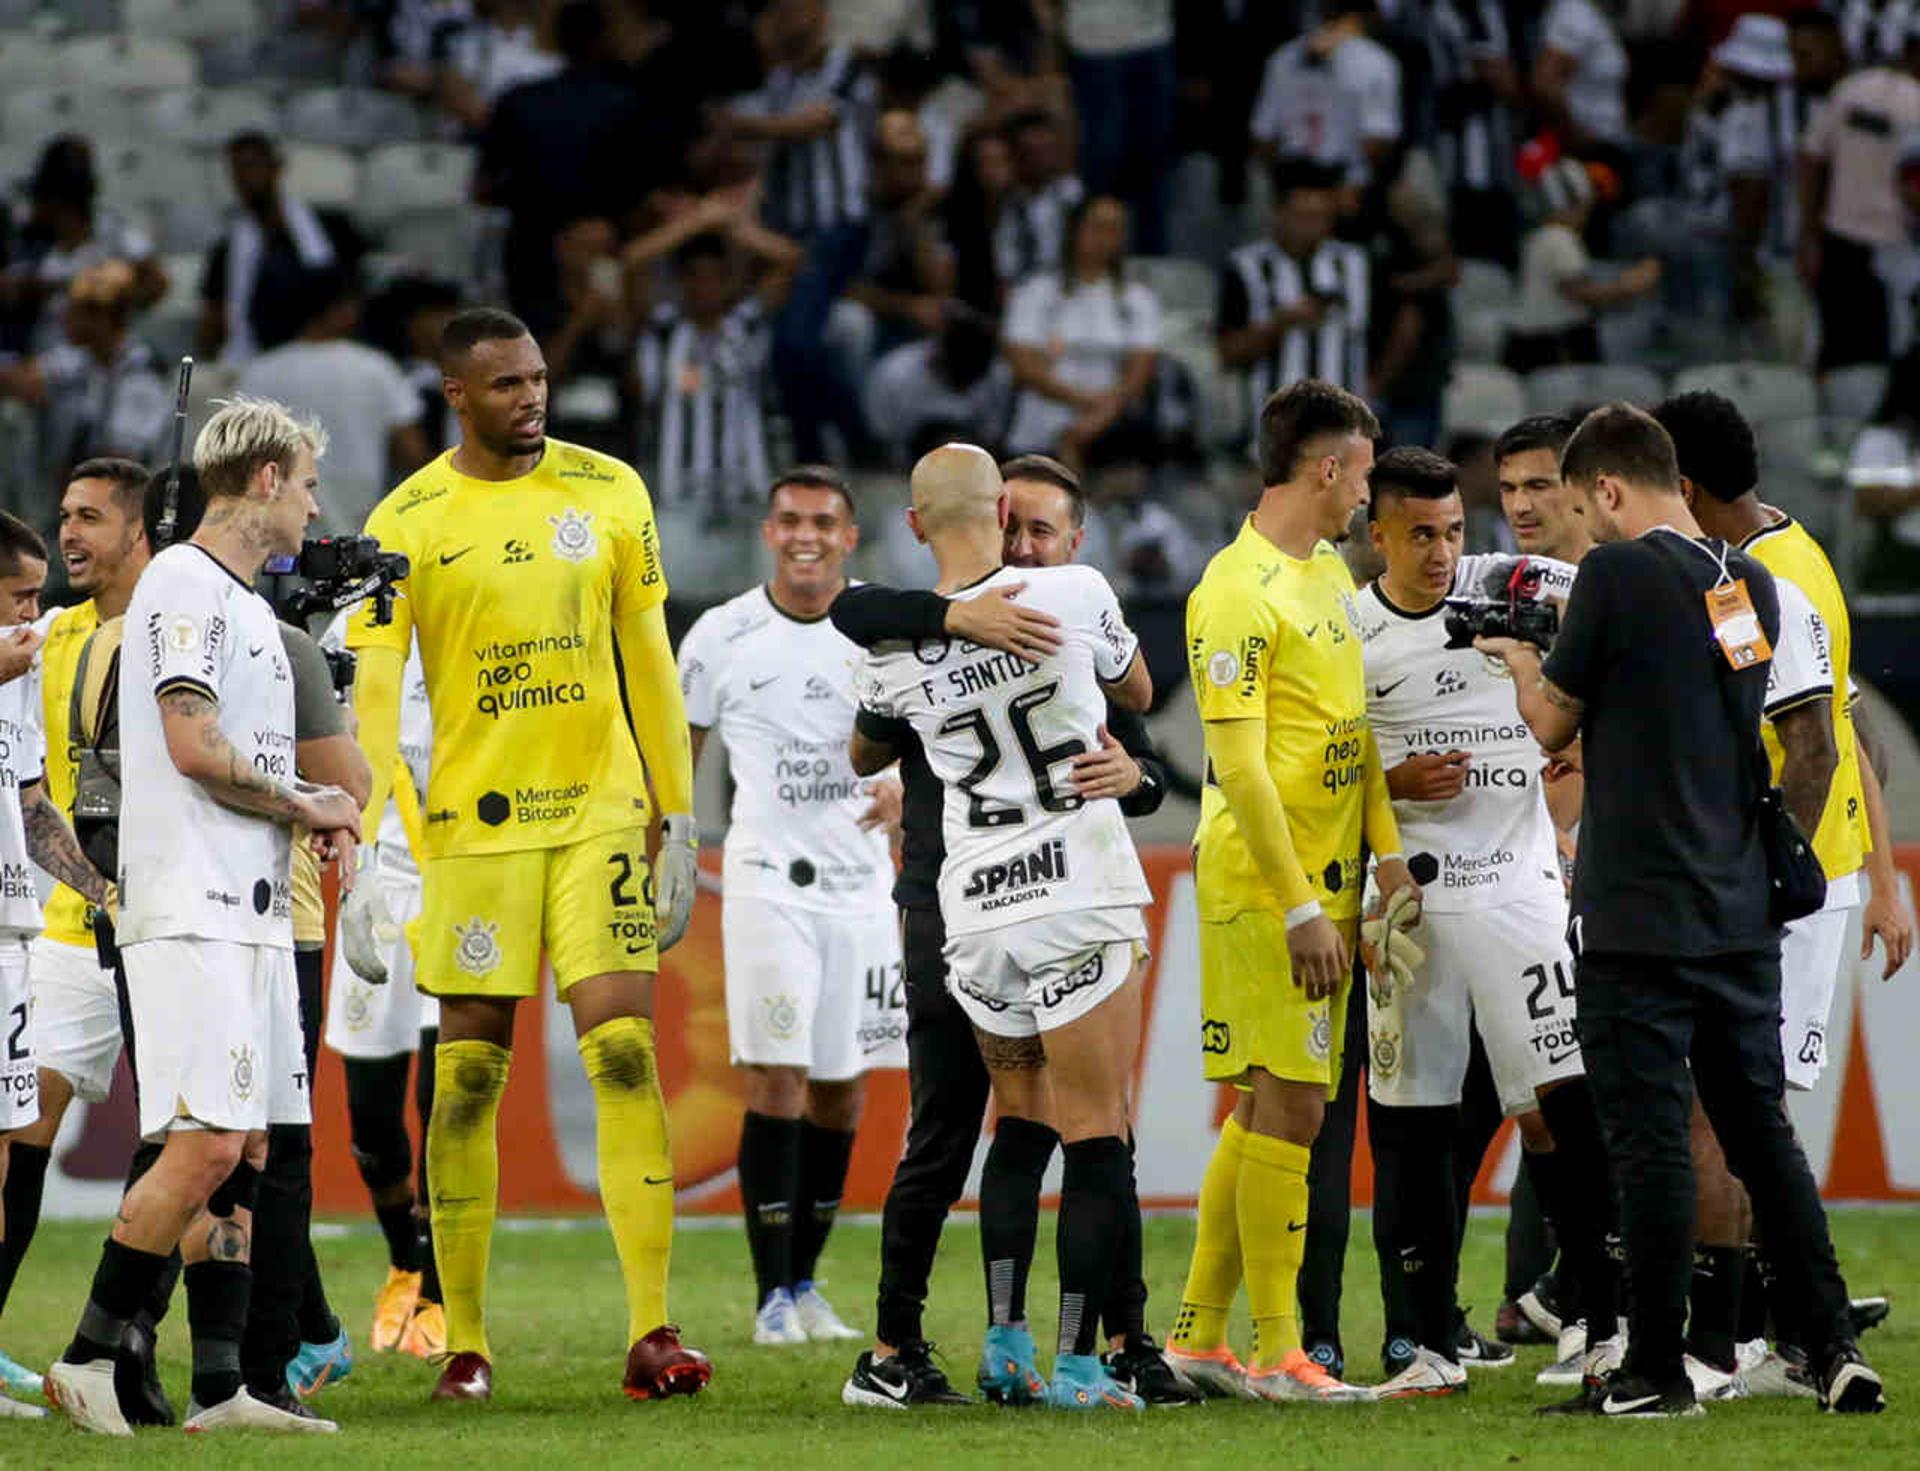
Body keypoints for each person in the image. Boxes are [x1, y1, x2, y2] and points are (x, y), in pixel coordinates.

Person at [1476, 401, 1885, 1417]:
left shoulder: (1614, 575)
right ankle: (1827, 1342)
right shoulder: (1744, 583)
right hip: (1736, 906)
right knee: (1760, 1136)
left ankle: (1656, 1367)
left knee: (1651, 1138)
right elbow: (1784, 733)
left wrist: (1525, 662)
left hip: (1635, 909)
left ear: (1608, 490)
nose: (1586, 524)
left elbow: (1553, 721)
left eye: (1580, 503)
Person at [346, 306, 708, 1404]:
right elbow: (369, 696)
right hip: (472, 833)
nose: (531, 398)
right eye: (505, 384)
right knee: (462, 1079)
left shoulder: (611, 491)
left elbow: (647, 655)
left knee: (627, 1054)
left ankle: (653, 1328)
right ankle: (467, 1341)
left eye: (539, 377)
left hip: (599, 812)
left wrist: (680, 816)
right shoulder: (401, 522)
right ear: (456, 394)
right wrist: (364, 850)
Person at [833, 453, 1189, 1409]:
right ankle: (1082, 1364)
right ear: (1000, 510)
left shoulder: (894, 647)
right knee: (1097, 1131)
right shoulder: (1074, 588)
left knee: (1017, 1122)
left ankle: (1004, 1346)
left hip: (977, 910)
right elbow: (1143, 693)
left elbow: (864, 742)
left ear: (913, 526)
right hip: (1075, 884)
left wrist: (940, 630)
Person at [45, 396, 359, 1436]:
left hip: (256, 910)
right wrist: (305, 799)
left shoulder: (250, 612)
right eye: (308, 482)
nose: (316, 506)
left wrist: (302, 814)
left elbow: (248, 754)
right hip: (192, 908)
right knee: (208, 1142)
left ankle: (223, 1387)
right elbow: (189, 745)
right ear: (266, 479)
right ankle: (89, 1354)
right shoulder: (183, 581)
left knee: (253, 1145)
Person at [1654, 389, 1914, 1396]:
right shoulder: (1782, 558)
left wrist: (1826, 877)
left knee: (1731, 1114)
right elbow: (1861, 732)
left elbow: (1833, 744)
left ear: (1681, 486)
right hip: (1794, 875)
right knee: (1727, 1110)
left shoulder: (1763, 578)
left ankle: (1743, 1342)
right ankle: (1769, 1330)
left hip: (1786, 884)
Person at [1164, 379, 1417, 1404]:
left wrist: (1386, 855)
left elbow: (1348, 742)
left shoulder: (1321, 579)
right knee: (1293, 1108)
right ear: (1326, 468)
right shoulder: (1237, 589)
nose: (1366, 496)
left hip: (1330, 879)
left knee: (1264, 1103)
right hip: (1269, 887)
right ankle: (1278, 1351)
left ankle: (1193, 1336)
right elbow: (1241, 768)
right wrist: (1306, 906)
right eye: (1361, 473)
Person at [1354, 447, 1622, 1401]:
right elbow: (1305, 771)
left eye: (1454, 531)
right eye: (1420, 534)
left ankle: (1605, 1319)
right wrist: (1389, 782)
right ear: (1375, 533)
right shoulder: (1349, 634)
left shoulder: (1511, 589)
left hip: (1518, 885)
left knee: (1562, 1103)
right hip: (1409, 906)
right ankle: (1423, 1342)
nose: (1442, 553)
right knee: (1411, 1126)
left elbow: (1613, 581)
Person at [677, 467, 906, 1347]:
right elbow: (678, 751)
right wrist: (667, 841)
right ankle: (771, 1293)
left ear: (851, 536)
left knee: (841, 1092)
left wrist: (903, 795)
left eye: (823, 521)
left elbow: (930, 742)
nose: (805, 535)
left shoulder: (882, 635)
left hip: (862, 890)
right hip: (767, 879)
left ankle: (808, 1283)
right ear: (767, 533)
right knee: (776, 1072)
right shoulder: (721, 634)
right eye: (789, 520)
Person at [0, 459, 159, 1416]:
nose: (68, 539)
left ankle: (128, 1349)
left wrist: (108, 893)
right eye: (63, 516)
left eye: (88, 517)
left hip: (55, 924)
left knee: (189, 1133)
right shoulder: (46, 644)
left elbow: (33, 808)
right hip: (50, 946)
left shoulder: (156, 636)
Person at [323, 620, 443, 1360]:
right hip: (374, 883)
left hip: (464, 881)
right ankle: (403, 1260)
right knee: (371, 1119)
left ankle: (438, 1290)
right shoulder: (355, 623)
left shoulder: (489, 603)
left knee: (446, 1100)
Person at [0, 510, 87, 1420]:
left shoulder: (19, 683)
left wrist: (105, 890)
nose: (36, 614)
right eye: (20, 595)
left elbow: (31, 810)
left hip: (9, 938)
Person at [238, 269, 431, 533]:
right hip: (360, 520)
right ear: (340, 309)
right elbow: (412, 454)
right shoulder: (375, 367)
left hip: (284, 527)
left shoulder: (260, 372)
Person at [1003, 196, 1160, 468]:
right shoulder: (1036, 291)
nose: (1105, 237)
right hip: (1047, 411)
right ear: (1075, 230)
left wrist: (1103, 412)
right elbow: (1024, 365)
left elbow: (1139, 370)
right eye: (1097, 226)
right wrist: (1084, 400)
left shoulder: (1137, 298)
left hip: (1110, 417)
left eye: (1115, 229)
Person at [1799, 25, 1920, 369]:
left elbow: (1810, 158)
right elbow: (1913, 191)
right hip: (1894, 251)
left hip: (1838, 240)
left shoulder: (1853, 88)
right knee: (1884, 359)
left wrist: (1808, 234)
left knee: (1836, 352)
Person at [1219, 158, 1371, 426]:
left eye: (1322, 217)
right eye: (1303, 217)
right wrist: (1280, 323)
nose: (1313, 227)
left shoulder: (1356, 265)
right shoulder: (1246, 267)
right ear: (1278, 213)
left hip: (1344, 434)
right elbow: (1229, 352)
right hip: (1275, 434)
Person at [199, 132, 367, 366]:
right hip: (255, 360)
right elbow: (215, 320)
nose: (246, 177)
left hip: (326, 350)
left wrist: (312, 342)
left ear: (276, 167)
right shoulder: (226, 250)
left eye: (252, 166)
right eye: (238, 170)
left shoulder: (331, 229)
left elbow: (352, 301)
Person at [0, 262, 171, 489]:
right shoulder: (82, 357)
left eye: (76, 311)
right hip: (71, 486)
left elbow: (120, 463)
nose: (65, 319)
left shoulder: (143, 371)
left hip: (124, 498)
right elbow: (20, 380)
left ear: (103, 317)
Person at [1503, 161, 1660, 373]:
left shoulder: (1539, 236)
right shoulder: (1560, 238)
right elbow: (1578, 291)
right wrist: (1629, 287)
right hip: (1554, 343)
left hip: (1532, 341)